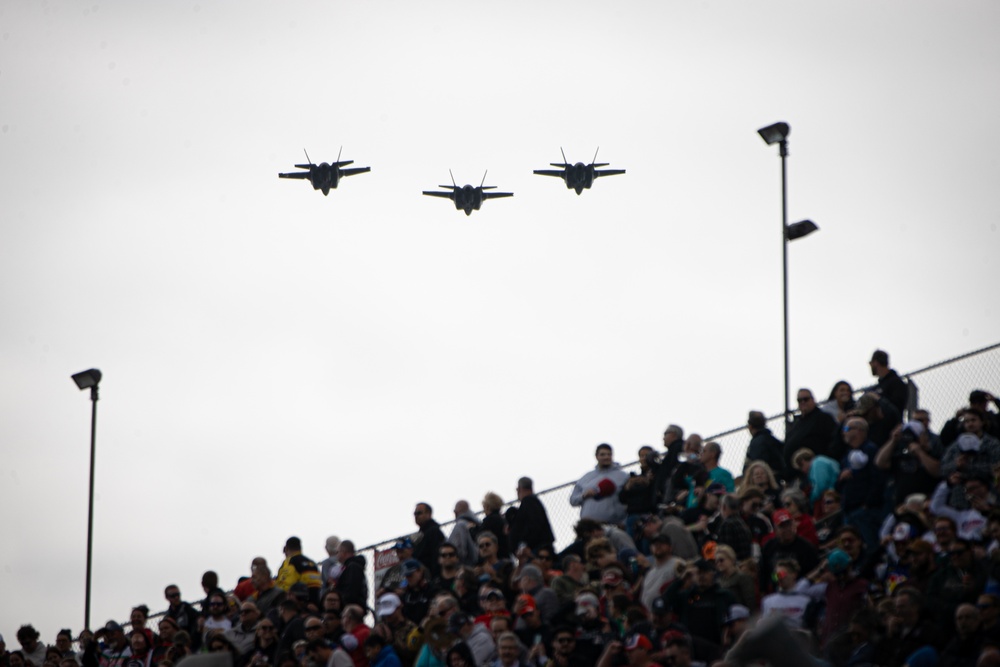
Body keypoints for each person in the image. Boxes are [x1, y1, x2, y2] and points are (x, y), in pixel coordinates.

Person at [569, 444, 630, 526]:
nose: (606, 457)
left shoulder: (623, 476)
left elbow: (630, 500)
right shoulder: (586, 478)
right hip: (588, 526)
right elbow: (573, 501)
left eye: (609, 454)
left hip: (613, 524)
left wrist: (624, 523)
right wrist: (584, 495)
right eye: (603, 454)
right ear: (596, 456)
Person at [783, 388, 838, 466]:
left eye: (806, 399)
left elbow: (834, 440)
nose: (803, 402)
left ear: (813, 400)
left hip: (817, 466)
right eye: (799, 400)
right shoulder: (796, 424)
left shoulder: (823, 418)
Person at [506, 477, 556, 555]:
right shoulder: (533, 502)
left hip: (537, 548)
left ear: (519, 489)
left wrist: (526, 544)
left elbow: (535, 524)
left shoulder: (528, 502)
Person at [276, 537, 322, 606]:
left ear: (286, 549)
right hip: (314, 604)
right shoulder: (312, 563)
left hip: (296, 604)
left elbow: (286, 585)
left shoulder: (289, 562)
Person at [744, 411, 786, 479]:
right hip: (777, 477)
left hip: (765, 479)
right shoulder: (773, 440)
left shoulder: (756, 443)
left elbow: (757, 463)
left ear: (750, 427)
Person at [412, 502, 447, 578]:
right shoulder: (421, 534)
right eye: (415, 514)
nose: (416, 516)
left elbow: (435, 556)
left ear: (429, 514)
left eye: (419, 513)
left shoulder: (433, 531)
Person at [334, 540, 368, 608]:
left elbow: (352, 590)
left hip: (351, 607)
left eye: (337, 552)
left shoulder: (353, 567)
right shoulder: (350, 566)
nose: (336, 555)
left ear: (343, 552)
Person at [480, 492, 511, 559]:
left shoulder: (489, 520)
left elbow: (480, 535)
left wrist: (471, 529)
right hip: (506, 554)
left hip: (497, 556)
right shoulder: (502, 519)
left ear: (487, 506)